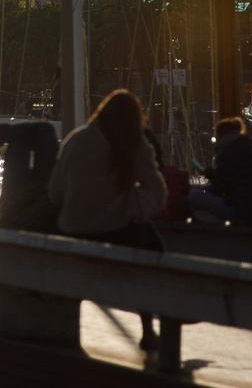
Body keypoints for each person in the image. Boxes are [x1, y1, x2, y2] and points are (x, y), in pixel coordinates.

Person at [49, 89, 167, 350]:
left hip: (72, 233)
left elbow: (55, 194)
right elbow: (159, 195)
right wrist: (129, 202)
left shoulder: (75, 140)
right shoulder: (133, 146)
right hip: (116, 235)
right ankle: (149, 329)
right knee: (152, 246)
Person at [186, 117, 252, 228]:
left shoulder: (228, 154)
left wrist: (212, 183)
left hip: (241, 212)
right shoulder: (247, 150)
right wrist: (213, 175)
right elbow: (235, 179)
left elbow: (217, 189)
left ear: (220, 134)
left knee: (193, 196)